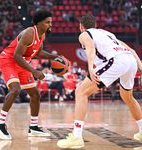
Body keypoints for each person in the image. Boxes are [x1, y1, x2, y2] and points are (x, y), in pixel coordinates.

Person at [57, 14, 142, 148]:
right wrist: (140, 65)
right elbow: (130, 49)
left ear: (81, 27)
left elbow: (90, 46)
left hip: (116, 61)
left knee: (80, 92)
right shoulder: (107, 34)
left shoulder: (84, 34)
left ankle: (77, 137)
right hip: (130, 60)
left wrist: (90, 67)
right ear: (96, 26)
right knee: (128, 96)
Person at [0, 10, 60, 139]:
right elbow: (16, 56)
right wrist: (34, 71)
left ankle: (33, 127)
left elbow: (38, 53)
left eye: (51, 22)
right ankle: (0, 124)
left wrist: (55, 57)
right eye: (48, 22)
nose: (50, 24)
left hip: (21, 62)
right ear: (39, 24)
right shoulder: (29, 33)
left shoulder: (42, 35)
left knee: (35, 94)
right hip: (9, 60)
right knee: (15, 90)